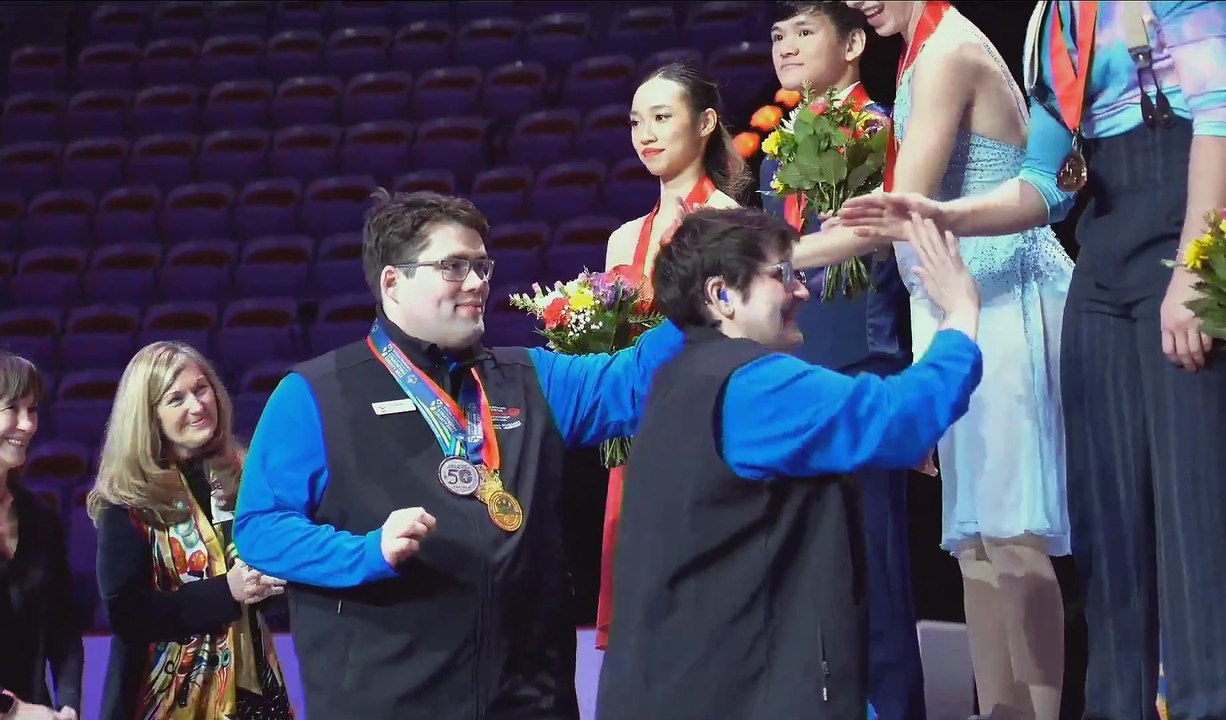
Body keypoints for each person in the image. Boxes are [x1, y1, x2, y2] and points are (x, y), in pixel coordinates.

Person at [836, 2, 1226, 718]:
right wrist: (948, 216)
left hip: (1190, 236)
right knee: (1108, 528)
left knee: (1194, 520)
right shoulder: (1052, 22)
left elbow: (1223, 116)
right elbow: (1050, 182)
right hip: (1104, 262)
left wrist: (1195, 269)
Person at [233, 190, 683, 720]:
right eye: (453, 267)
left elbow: (636, 384)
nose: (477, 284)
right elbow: (261, 529)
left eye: (481, 265)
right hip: (388, 702)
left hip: (531, 700)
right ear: (393, 283)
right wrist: (367, 552)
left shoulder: (530, 378)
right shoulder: (315, 393)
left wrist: (702, 285)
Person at [596, 207, 982, 720]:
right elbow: (901, 418)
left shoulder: (673, 382)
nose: (802, 290)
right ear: (721, 295)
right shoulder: (754, 385)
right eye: (781, 275)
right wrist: (960, 313)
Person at [846, 2, 1076, 718]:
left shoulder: (949, 52)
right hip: (957, 306)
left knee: (1014, 535)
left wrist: (784, 254)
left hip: (1005, 294)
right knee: (974, 540)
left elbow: (903, 208)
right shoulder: (917, 50)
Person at [761, 3, 923, 718]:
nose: (786, 48)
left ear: (854, 43)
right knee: (806, 566)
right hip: (794, 370)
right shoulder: (773, 151)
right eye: (777, 36)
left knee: (875, 566)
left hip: (864, 365)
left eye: (804, 32)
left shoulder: (884, 130)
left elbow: (886, 244)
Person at [595, 60, 749, 650]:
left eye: (663, 117)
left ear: (706, 122)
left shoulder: (732, 224)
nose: (647, 134)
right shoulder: (622, 238)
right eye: (637, 121)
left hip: (706, 435)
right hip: (636, 442)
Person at [90, 342, 292, 720]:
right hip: (162, 699)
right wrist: (226, 591)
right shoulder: (127, 498)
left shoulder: (244, 475)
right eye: (176, 398)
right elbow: (127, 613)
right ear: (149, 417)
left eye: (201, 389)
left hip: (255, 692)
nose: (198, 406)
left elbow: (263, 592)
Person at [0, 352, 81, 720]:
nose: (28, 424)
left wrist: (68, 706)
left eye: (31, 410)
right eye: (12, 408)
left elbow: (64, 630)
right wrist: (13, 711)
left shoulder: (40, 519)